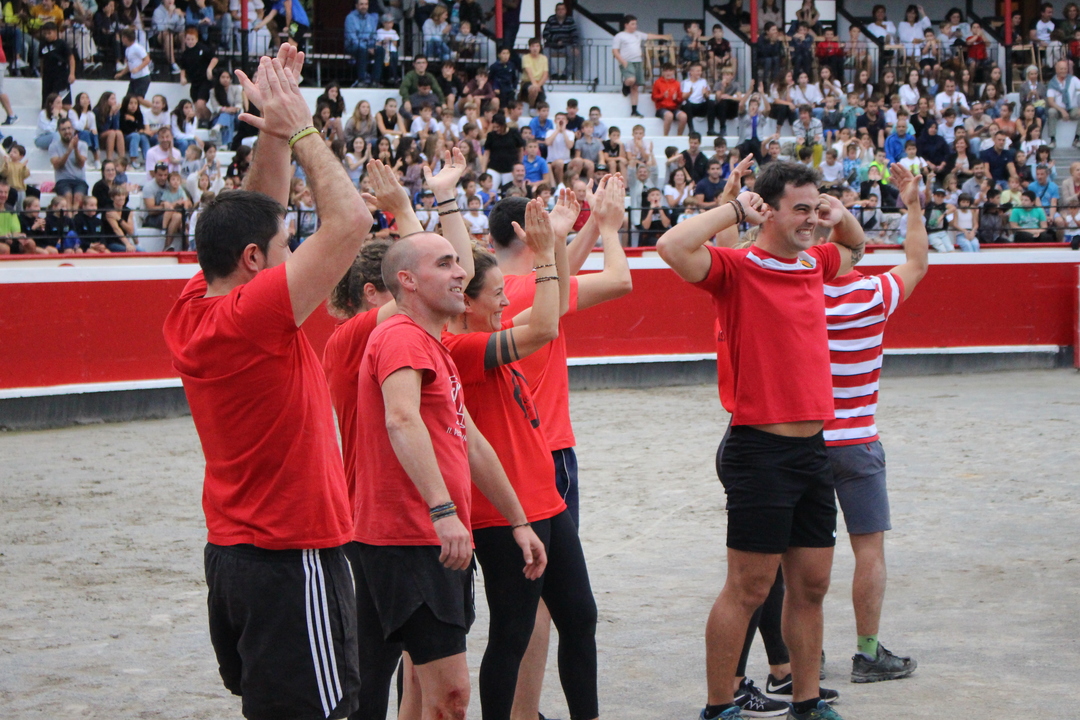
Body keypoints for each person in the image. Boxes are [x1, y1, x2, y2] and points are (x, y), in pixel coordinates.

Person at [161, 46, 373, 720]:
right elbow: (353, 223)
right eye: (286, 249)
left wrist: (274, 135)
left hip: (234, 553)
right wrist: (303, 127)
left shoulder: (193, 306)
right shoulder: (252, 317)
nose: (293, 257)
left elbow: (259, 213)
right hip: (290, 553)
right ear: (253, 261)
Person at [656, 160, 866, 720]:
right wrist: (732, 209)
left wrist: (839, 215)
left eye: (815, 208)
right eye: (800, 209)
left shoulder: (814, 263)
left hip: (812, 450)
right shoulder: (738, 267)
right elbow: (671, 246)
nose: (811, 219)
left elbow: (856, 247)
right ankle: (719, 707)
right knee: (749, 587)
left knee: (812, 585)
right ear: (767, 211)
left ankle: (806, 701)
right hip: (760, 450)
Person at [350, 199, 546, 720]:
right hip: (409, 539)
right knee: (449, 695)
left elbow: (472, 443)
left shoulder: (431, 343)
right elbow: (401, 419)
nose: (461, 271)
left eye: (458, 262)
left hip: (421, 539)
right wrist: (443, 511)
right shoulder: (401, 337)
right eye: (445, 263)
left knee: (419, 686)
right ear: (408, 281)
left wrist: (518, 521)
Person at [487, 178, 633, 720]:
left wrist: (581, 226)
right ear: (531, 234)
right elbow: (617, 281)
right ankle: (525, 711)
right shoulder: (534, 291)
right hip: (545, 454)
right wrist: (609, 228)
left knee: (518, 604)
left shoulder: (492, 291)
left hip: (495, 457)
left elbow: (556, 276)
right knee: (543, 601)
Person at [822, 162, 926, 684]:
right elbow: (917, 262)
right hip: (858, 439)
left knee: (799, 555)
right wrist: (912, 205)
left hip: (804, 439)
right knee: (869, 549)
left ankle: (802, 653)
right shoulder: (874, 294)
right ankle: (867, 652)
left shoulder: (799, 295)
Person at [613, 14, 671, 118]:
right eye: (632, 24)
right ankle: (625, 85)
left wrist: (662, 36)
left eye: (635, 24)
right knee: (631, 80)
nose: (635, 26)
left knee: (635, 87)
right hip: (627, 61)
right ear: (626, 25)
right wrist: (623, 61)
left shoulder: (638, 34)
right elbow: (615, 51)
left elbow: (649, 36)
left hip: (638, 62)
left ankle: (634, 110)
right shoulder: (620, 36)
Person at [178, 27, 218, 123]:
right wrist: (182, 78)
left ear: (196, 39)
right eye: (188, 39)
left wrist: (209, 69)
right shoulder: (185, 54)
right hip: (194, 82)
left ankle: (211, 119)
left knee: (201, 104)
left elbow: (214, 58)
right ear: (185, 40)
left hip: (204, 81)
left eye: (192, 39)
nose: (190, 42)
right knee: (197, 107)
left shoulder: (202, 49)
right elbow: (183, 68)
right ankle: (204, 122)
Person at [50, 116, 89, 207]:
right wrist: (68, 151)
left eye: (69, 128)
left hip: (79, 181)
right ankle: (69, 216)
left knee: (78, 197)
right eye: (63, 129)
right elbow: (56, 165)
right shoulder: (53, 146)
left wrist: (75, 149)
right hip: (62, 181)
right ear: (59, 131)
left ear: (73, 129)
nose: (67, 131)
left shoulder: (83, 145)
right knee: (68, 196)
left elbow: (81, 164)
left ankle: (74, 216)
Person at [1046, 60, 1080, 148]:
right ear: (1056, 70)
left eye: (1065, 69)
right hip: (1058, 109)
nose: (1063, 71)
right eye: (1061, 69)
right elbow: (1050, 101)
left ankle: (1077, 138)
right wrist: (1062, 111)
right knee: (1051, 111)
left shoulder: (1073, 79)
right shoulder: (1052, 83)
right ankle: (1052, 139)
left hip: (1072, 108)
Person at [38, 21, 73, 107]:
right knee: (47, 102)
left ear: (55, 32)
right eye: (45, 33)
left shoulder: (61, 44)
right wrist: (42, 73)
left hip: (60, 75)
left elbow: (71, 58)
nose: (47, 36)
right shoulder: (42, 44)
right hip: (48, 76)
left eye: (49, 33)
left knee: (64, 102)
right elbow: (42, 60)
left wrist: (72, 73)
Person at [543, 2, 578, 80]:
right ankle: (553, 74)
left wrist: (574, 46)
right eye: (558, 9)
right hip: (552, 45)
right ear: (555, 11)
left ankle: (565, 75)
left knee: (574, 54)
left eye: (562, 9)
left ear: (565, 11)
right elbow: (545, 33)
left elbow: (574, 34)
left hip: (566, 45)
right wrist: (556, 40)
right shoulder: (551, 19)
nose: (560, 11)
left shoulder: (570, 20)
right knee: (544, 54)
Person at [116, 28, 152, 103]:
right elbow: (129, 65)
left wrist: (137, 69)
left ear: (125, 38)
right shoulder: (127, 50)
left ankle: (156, 108)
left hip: (142, 77)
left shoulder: (137, 48)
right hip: (134, 78)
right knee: (129, 99)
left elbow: (147, 59)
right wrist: (121, 74)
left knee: (139, 99)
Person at [520, 37, 549, 107]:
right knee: (533, 89)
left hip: (539, 83)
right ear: (529, 48)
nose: (535, 48)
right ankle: (531, 106)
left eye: (537, 46)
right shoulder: (525, 57)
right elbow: (528, 72)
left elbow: (545, 74)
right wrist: (535, 85)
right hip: (527, 82)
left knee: (542, 102)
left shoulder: (544, 58)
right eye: (533, 46)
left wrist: (538, 85)